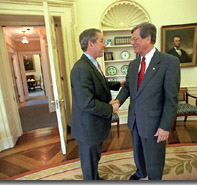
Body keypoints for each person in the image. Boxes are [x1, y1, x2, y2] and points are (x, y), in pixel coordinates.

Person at [111, 22, 180, 180]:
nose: (132, 42)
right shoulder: (134, 64)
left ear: (148, 38)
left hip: (155, 124)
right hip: (135, 120)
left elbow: (171, 99)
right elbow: (128, 87)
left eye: (135, 39)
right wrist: (117, 102)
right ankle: (141, 173)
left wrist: (165, 126)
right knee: (138, 153)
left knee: (155, 159)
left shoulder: (169, 62)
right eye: (132, 39)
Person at [70, 28, 123, 180]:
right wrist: (110, 108)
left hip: (94, 124)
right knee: (89, 163)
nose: (104, 45)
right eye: (101, 41)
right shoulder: (81, 68)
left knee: (93, 160)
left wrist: (118, 84)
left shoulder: (91, 64)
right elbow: (87, 103)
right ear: (90, 44)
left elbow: (99, 83)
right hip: (88, 127)